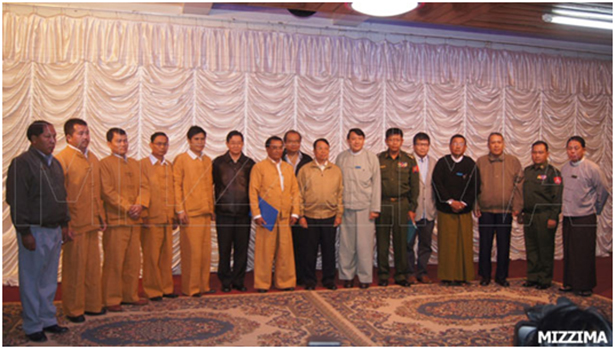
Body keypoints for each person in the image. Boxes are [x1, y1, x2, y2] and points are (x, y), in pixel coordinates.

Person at [6, 120, 70, 342]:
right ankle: (32, 325)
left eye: (54, 136)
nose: (52, 141)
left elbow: (62, 197)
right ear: (33, 139)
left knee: (49, 278)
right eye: (47, 137)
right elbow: (17, 200)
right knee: (32, 279)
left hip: (53, 229)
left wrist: (65, 224)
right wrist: (24, 231)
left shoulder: (55, 164)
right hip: (34, 230)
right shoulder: (22, 163)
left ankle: (47, 319)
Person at [56, 119, 106, 323]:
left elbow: (98, 192)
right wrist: (64, 224)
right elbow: (60, 196)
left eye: (87, 132)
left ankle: (92, 304)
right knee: (74, 268)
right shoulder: (62, 159)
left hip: (92, 222)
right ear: (69, 137)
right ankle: (74, 309)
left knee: (93, 266)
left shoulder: (93, 158)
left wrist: (101, 216)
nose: (85, 137)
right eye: (80, 133)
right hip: (74, 224)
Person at [100, 128, 150, 311]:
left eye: (125, 141)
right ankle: (111, 298)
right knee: (114, 261)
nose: (123, 144)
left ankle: (130, 295)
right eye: (118, 141)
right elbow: (106, 191)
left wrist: (140, 204)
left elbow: (145, 187)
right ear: (109, 144)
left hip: (134, 221)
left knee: (133, 261)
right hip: (116, 221)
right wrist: (127, 207)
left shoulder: (136, 164)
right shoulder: (104, 164)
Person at [249, 136, 301, 292]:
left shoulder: (288, 168)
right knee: (265, 251)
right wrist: (257, 215)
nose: (278, 150)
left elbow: (295, 191)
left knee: (285, 251)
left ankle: (285, 282)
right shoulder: (259, 167)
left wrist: (295, 212)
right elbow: (253, 192)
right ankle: (262, 283)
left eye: (280, 148)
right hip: (267, 215)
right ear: (267, 149)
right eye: (274, 147)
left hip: (285, 215)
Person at [560, 136, 609, 297]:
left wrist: (596, 209)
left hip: (585, 217)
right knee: (569, 251)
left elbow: (603, 190)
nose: (572, 151)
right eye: (570, 148)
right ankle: (569, 282)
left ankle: (585, 285)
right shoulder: (565, 168)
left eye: (576, 148)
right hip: (568, 216)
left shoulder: (592, 168)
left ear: (584, 149)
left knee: (584, 252)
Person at [475, 132, 524, 287]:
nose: (496, 145)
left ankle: (502, 276)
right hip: (486, 211)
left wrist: (517, 206)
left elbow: (519, 186)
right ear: (488, 145)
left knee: (504, 245)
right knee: (485, 245)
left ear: (503, 144)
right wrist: (476, 205)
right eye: (493, 142)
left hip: (505, 211)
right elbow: (474, 186)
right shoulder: (481, 162)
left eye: (499, 142)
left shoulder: (513, 161)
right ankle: (485, 275)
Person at [336, 128, 381, 289]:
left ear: (364, 140)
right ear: (348, 140)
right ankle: (347, 276)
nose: (356, 142)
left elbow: (376, 185)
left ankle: (364, 277)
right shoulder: (341, 158)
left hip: (365, 208)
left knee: (365, 245)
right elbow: (337, 185)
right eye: (353, 139)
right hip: (347, 207)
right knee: (346, 245)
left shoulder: (371, 158)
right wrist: (338, 209)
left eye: (359, 139)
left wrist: (375, 208)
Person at [173, 126, 215, 297]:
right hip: (190, 213)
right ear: (189, 140)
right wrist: (179, 209)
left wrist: (211, 208)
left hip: (205, 212)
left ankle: (203, 285)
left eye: (202, 139)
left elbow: (210, 187)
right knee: (192, 252)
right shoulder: (181, 159)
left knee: (205, 252)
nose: (200, 143)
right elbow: (176, 186)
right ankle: (191, 288)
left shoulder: (207, 161)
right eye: (196, 139)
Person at [432, 134, 479, 286]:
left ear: (465, 147)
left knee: (464, 244)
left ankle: (463, 276)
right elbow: (437, 184)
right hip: (446, 210)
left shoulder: (470, 164)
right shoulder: (442, 163)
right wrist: (451, 202)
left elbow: (475, 186)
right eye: (455, 143)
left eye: (461, 144)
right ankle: (448, 276)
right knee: (447, 244)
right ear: (450, 146)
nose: (457, 146)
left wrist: (464, 203)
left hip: (464, 211)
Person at [297, 138, 343, 291]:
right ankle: (310, 280)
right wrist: (301, 215)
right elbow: (298, 194)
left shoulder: (336, 170)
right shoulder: (305, 169)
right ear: (314, 151)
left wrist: (339, 214)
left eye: (326, 149)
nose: (323, 151)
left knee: (329, 250)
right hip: (310, 216)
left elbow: (340, 194)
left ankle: (329, 279)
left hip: (330, 216)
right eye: (320, 148)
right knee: (309, 251)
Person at [213, 130, 255, 293]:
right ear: (227, 144)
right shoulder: (218, 163)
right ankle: (225, 280)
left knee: (241, 249)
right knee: (224, 249)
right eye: (233, 142)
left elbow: (254, 188)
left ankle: (238, 280)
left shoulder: (249, 163)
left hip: (243, 214)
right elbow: (212, 186)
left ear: (243, 144)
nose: (236, 145)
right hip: (224, 213)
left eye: (239, 143)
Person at [376, 128, 419, 287]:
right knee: (382, 242)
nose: (394, 143)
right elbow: (374, 185)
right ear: (386, 141)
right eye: (391, 140)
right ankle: (383, 274)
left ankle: (401, 274)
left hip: (402, 205)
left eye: (397, 140)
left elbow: (415, 186)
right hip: (383, 204)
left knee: (401, 242)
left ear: (402, 141)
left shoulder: (409, 159)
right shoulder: (379, 159)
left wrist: (412, 208)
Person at [140, 132, 178, 301]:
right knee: (151, 256)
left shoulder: (169, 166)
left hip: (167, 218)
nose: (162, 147)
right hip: (151, 219)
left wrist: (175, 214)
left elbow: (174, 191)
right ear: (151, 145)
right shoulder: (142, 165)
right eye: (159, 144)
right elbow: (140, 190)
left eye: (165, 144)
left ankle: (166, 288)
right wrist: (143, 215)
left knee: (166, 255)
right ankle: (152, 290)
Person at [521, 141, 562, 290]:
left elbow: (557, 197)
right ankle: (532, 276)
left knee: (544, 248)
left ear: (547, 154)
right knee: (531, 247)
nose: (537, 155)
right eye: (534, 152)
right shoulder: (527, 171)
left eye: (540, 152)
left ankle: (544, 279)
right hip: (529, 215)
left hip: (545, 216)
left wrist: (553, 216)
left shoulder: (553, 173)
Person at [282, 130, 313, 286]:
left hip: (301, 208)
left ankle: (301, 276)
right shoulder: (278, 159)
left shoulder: (307, 160)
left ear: (300, 143)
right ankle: (285, 277)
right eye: (290, 141)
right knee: (284, 246)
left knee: (302, 245)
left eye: (296, 141)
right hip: (282, 208)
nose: (293, 144)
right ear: (285, 143)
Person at [408, 132, 436, 284]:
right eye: (419, 144)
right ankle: (410, 272)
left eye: (425, 144)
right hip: (412, 211)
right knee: (408, 244)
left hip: (429, 211)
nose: (422, 147)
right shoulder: (407, 161)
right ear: (414, 146)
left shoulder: (434, 162)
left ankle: (422, 272)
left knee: (425, 244)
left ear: (429, 146)